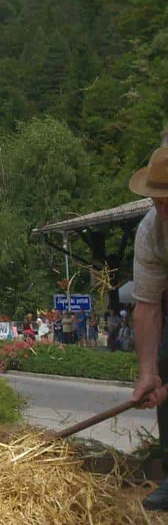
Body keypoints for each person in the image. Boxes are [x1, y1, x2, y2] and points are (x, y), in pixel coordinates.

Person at [125, 147, 168, 510]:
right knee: (164, 361)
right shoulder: (152, 231)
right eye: (158, 201)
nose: (163, 211)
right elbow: (148, 306)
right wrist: (148, 374)